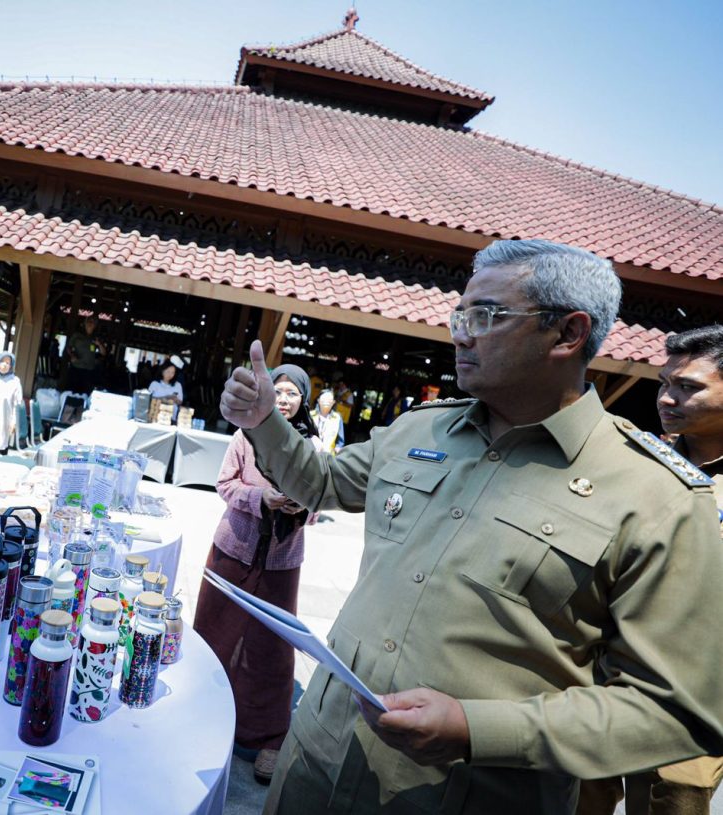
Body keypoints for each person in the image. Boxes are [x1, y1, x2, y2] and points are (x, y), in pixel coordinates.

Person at [219, 238, 723, 814]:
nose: (461, 332)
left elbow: (674, 712)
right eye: (461, 314)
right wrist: (264, 423)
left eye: (485, 316)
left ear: (568, 333)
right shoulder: (418, 431)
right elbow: (322, 483)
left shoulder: (659, 498)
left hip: (469, 794)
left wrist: (476, 728)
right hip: (318, 761)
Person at [579, 325, 723, 815]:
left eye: (689, 387)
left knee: (675, 801)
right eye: (665, 383)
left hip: (694, 688)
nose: (667, 397)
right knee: (580, 792)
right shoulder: (644, 463)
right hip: (604, 671)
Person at [194, 363, 321, 784]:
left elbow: (320, 503)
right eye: (278, 391)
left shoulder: (312, 446)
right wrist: (261, 497)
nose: (284, 400)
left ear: (303, 400)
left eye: (292, 394)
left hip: (282, 559)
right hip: (234, 547)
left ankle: (268, 735)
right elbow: (224, 484)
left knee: (273, 648)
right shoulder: (243, 436)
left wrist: (301, 504)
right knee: (214, 632)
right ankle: (202, 716)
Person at [65, 315, 100, 394]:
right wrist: (72, 355)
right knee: (72, 391)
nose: (90, 324)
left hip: (89, 370)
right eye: (88, 321)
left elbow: (103, 353)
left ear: (95, 325)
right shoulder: (77, 335)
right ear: (85, 323)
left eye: (92, 322)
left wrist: (99, 344)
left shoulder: (95, 338)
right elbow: (68, 347)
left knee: (85, 393)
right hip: (76, 367)